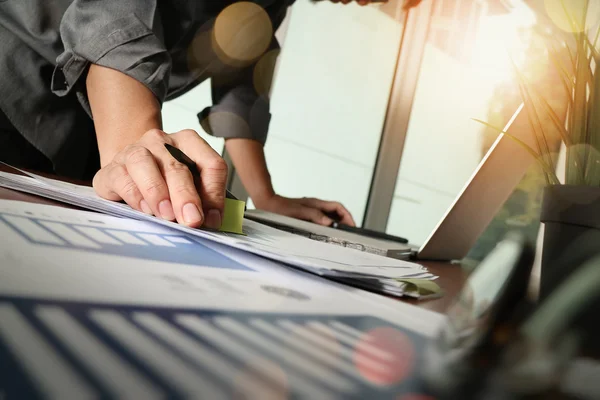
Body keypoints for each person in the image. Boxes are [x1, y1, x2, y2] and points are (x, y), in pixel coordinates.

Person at [0, 0, 420, 230]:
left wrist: (267, 197)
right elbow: (113, 16)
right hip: (11, 88)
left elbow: (240, 86)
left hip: (84, 131)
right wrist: (133, 143)